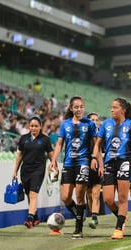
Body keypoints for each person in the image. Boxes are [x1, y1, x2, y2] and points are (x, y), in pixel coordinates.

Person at [91, 98, 131, 239]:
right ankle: (122, 216)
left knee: (122, 197)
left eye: (115, 107)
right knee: (108, 199)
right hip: (110, 162)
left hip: (124, 162)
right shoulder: (106, 124)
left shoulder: (130, 125)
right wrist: (94, 158)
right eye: (111, 107)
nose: (111, 110)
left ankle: (119, 228)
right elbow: (97, 144)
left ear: (123, 110)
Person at [49, 96, 97, 239]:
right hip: (69, 164)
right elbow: (59, 144)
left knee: (80, 196)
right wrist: (54, 160)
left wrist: (94, 158)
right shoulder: (65, 124)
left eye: (81, 106)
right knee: (65, 197)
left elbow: (96, 144)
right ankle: (78, 213)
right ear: (71, 108)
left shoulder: (90, 124)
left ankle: (78, 229)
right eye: (76, 107)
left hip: (83, 163)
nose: (79, 109)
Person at [12, 116, 56, 228]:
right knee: (28, 195)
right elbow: (19, 155)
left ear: (40, 127)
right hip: (25, 171)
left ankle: (30, 218)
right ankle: (35, 217)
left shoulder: (45, 139)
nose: (34, 128)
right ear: (29, 126)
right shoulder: (23, 139)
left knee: (33, 194)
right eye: (32, 126)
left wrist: (54, 165)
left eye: (36, 126)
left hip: (38, 170)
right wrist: (15, 171)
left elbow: (51, 154)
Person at [86, 112, 103, 229]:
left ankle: (94, 217)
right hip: (84, 166)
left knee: (96, 193)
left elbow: (100, 152)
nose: (95, 122)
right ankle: (92, 213)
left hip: (96, 166)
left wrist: (101, 166)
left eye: (97, 120)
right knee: (89, 194)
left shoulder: (100, 136)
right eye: (92, 119)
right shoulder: (84, 134)